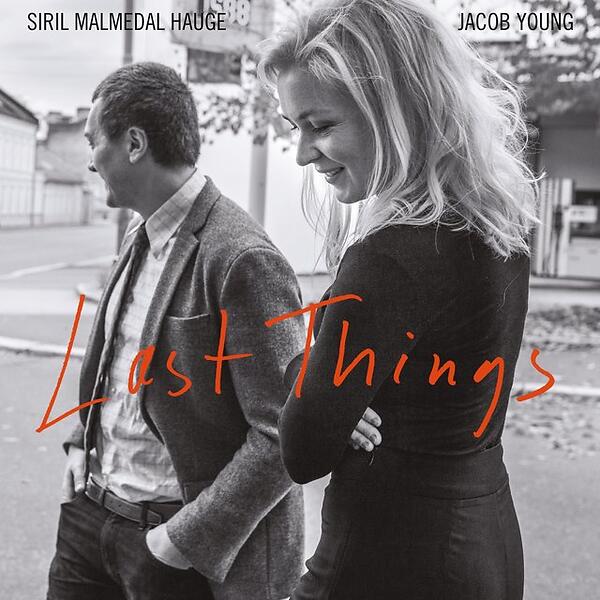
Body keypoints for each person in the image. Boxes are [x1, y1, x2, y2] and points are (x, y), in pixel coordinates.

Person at [258, 0, 538, 598]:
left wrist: (310, 377)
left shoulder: (390, 255)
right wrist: (331, 392)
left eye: (321, 125)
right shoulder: (497, 225)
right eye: (294, 127)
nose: (303, 153)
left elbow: (304, 449)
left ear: (396, 111)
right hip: (485, 536)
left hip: (391, 555)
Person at [46, 62, 308, 600]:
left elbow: (284, 432)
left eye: (94, 142)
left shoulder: (243, 257)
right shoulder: (140, 231)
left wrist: (181, 540)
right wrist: (80, 442)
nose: (89, 161)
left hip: (174, 545)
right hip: (90, 516)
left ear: (134, 143)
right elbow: (115, 360)